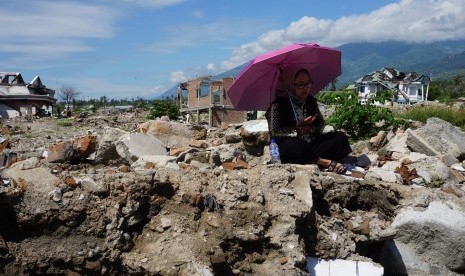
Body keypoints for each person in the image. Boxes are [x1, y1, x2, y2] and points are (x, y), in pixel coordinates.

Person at [265, 66, 352, 174]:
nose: (305, 88)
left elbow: (321, 123)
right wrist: (297, 129)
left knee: (340, 138)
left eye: (308, 83)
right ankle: (324, 162)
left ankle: (312, 160)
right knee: (299, 147)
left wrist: (311, 129)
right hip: (290, 146)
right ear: (290, 85)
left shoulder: (310, 100)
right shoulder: (278, 104)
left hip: (311, 144)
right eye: (300, 85)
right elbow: (274, 131)